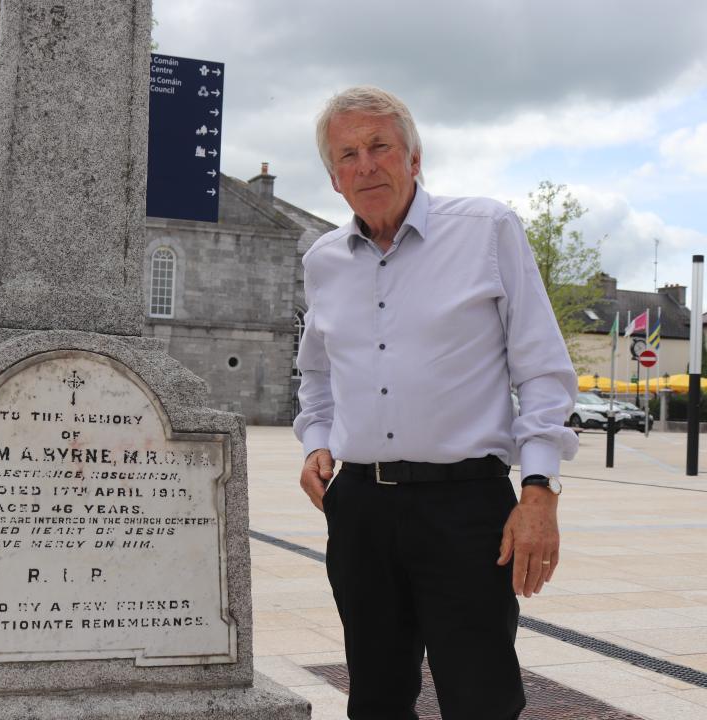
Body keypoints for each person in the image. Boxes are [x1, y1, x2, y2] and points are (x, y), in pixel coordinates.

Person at [294, 86, 577, 720]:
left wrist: (539, 490)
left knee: (480, 697)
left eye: (379, 146)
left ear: (414, 159)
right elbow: (314, 374)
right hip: (361, 510)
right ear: (334, 179)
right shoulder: (322, 262)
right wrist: (317, 440)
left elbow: (543, 371)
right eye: (347, 154)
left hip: (465, 507)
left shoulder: (487, 230)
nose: (365, 164)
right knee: (374, 699)